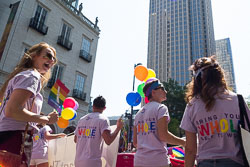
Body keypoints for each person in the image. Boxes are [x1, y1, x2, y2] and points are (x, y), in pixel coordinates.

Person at [180, 56, 250, 167]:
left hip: (205, 163)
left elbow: (190, 149)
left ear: (196, 79)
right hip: (236, 163)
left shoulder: (192, 105)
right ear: (219, 75)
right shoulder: (238, 100)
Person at [0, 42, 59, 166]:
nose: (52, 60)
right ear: (33, 56)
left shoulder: (22, 75)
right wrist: (47, 119)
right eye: (48, 55)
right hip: (15, 138)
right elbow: (13, 110)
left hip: (7, 135)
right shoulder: (32, 76)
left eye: (53, 58)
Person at [133, 79, 186, 167]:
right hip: (157, 161)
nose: (166, 91)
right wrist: (184, 142)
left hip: (139, 161)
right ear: (153, 92)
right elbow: (163, 136)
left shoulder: (138, 114)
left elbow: (135, 142)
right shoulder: (161, 108)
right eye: (162, 88)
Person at [74, 95, 123, 167]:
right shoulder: (103, 119)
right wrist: (118, 128)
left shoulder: (82, 119)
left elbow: (75, 140)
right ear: (104, 108)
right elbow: (108, 140)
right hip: (92, 162)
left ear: (93, 106)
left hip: (78, 161)